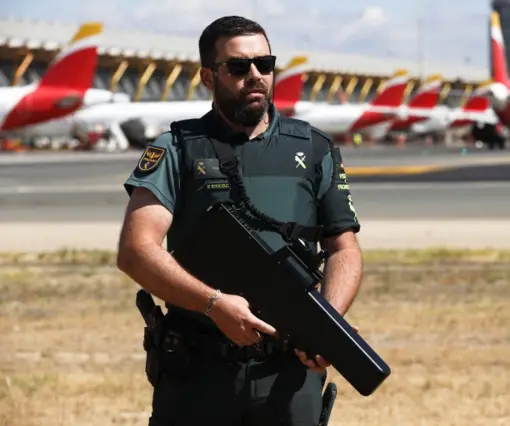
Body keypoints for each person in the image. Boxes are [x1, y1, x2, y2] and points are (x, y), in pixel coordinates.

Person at [116, 15, 363, 426]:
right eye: (238, 67)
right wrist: (214, 305)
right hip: (198, 371)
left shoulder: (314, 148)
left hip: (288, 374)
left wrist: (326, 326)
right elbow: (136, 251)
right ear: (208, 78)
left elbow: (343, 247)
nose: (255, 76)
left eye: (264, 65)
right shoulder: (177, 148)